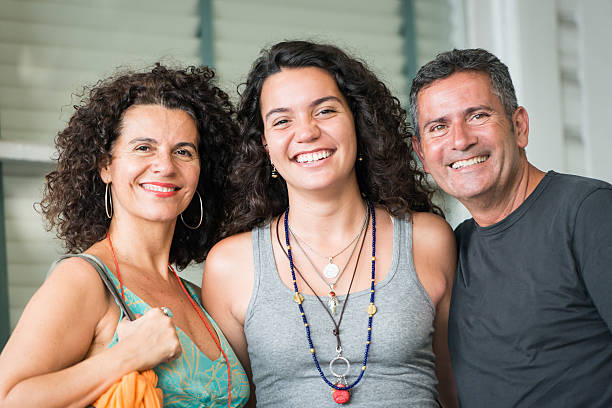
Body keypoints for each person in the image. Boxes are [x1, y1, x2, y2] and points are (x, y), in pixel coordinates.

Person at [202, 40, 458, 407]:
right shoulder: (229, 265)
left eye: (324, 111)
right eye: (282, 121)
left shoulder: (428, 240)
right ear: (265, 146)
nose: (306, 132)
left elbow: (453, 388)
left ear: (358, 121)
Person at [0, 64, 250, 407]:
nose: (165, 165)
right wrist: (127, 355)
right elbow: (9, 398)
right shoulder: (84, 279)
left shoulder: (197, 295)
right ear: (106, 166)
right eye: (143, 147)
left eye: (183, 151)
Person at [410, 48, 612, 407]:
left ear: (519, 126)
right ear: (423, 155)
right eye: (438, 127)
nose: (460, 140)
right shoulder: (456, 247)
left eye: (477, 115)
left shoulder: (589, 212)